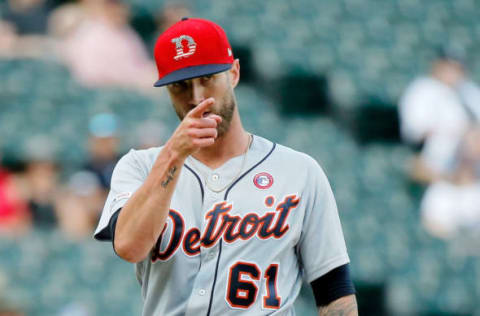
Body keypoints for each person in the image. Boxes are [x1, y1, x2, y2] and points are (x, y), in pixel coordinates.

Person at [94, 18, 357, 315]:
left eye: (207, 78)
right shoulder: (139, 167)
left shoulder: (300, 172)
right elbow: (129, 246)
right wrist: (174, 156)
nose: (196, 97)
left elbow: (334, 292)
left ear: (233, 73)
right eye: (180, 86)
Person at [399, 49, 480, 183]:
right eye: (449, 67)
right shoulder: (423, 89)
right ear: (438, 66)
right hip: (438, 157)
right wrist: (457, 132)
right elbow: (415, 131)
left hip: (471, 161)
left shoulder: (468, 90)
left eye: (458, 68)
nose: (453, 72)